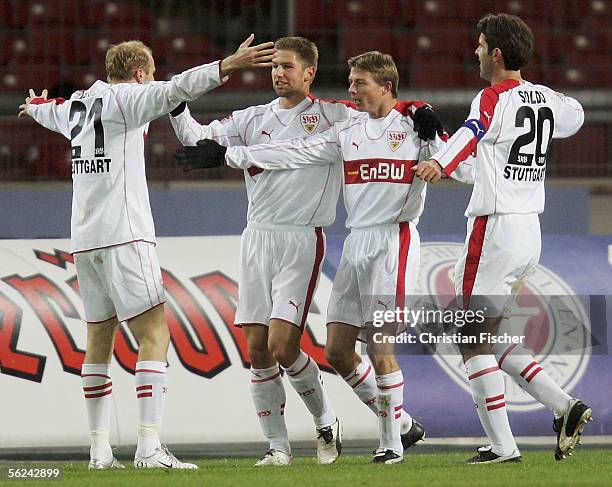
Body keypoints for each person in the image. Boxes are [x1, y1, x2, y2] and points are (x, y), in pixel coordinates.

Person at [172, 37, 441, 466]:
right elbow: (194, 137)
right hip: (257, 235)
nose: (278, 73)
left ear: (309, 71)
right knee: (262, 349)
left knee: (284, 346)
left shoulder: (336, 115)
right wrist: (175, 97)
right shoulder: (252, 117)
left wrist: (418, 107)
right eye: (273, 66)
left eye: (286, 66)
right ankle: (282, 447)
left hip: (304, 237)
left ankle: (341, 425)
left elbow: (385, 110)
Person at [18, 35, 275, 470]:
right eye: (150, 72)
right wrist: (228, 63)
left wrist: (36, 106)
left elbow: (47, 112)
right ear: (139, 74)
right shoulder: (128, 99)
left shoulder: (78, 105)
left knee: (99, 339)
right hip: (125, 235)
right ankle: (149, 447)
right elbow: (178, 89)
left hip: (85, 241)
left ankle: (99, 451)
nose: (153, 80)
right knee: (156, 333)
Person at [412, 13, 592, 464]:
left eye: (478, 46)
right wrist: (443, 145)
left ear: (495, 53)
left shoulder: (491, 98)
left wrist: (441, 163)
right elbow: (576, 114)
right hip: (529, 229)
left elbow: (474, 133)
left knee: (469, 334)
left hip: (493, 228)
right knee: (488, 333)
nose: (474, 52)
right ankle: (564, 406)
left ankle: (502, 445)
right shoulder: (546, 99)